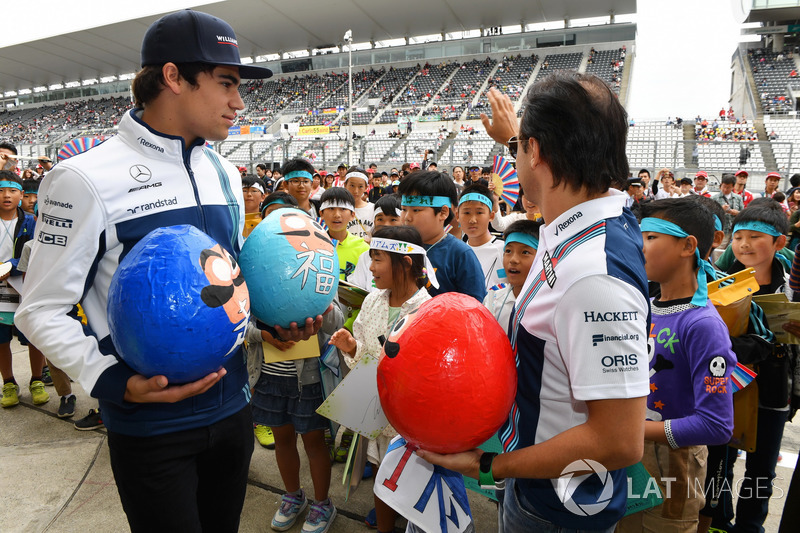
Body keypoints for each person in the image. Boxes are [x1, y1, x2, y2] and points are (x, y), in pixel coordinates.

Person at [14, 10, 326, 533]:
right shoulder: (83, 178)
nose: (239, 102)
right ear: (174, 77)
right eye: (226, 83)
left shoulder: (224, 169)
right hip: (150, 426)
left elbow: (222, 283)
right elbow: (39, 308)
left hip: (232, 411)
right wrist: (110, 379)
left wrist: (266, 323)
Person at [419, 74, 650, 531]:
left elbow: (620, 440)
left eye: (523, 145)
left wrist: (490, 467)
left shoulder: (594, 276)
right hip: (544, 485)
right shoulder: (583, 213)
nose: (516, 154)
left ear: (538, 152)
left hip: (556, 507)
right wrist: (514, 140)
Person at [617, 198, 735, 532]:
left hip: (675, 465)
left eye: (652, 237)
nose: (641, 246)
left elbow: (716, 425)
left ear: (688, 246)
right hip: (629, 456)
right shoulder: (643, 306)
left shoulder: (703, 325)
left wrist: (633, 430)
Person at [329, 225, 433, 533]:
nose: (370, 267)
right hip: (375, 408)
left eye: (377, 259)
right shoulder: (374, 300)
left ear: (405, 263)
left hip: (409, 420)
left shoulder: (429, 310)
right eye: (370, 258)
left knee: (414, 478)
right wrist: (352, 346)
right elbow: (365, 347)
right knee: (381, 470)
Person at [713, 200, 795, 533]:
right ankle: (718, 520)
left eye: (755, 237)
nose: (744, 244)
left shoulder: (791, 289)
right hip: (727, 390)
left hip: (773, 392)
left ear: (779, 243)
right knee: (721, 462)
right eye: (738, 236)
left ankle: (750, 526)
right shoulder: (721, 285)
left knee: (762, 470)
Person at [398, 171, 486, 302]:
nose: (407, 218)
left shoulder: (460, 254)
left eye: (416, 210)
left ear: (443, 213)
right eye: (404, 209)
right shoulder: (399, 247)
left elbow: (474, 306)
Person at [0, 171, 44, 408]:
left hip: (23, 288)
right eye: (0, 191)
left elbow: (37, 252)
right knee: (0, 339)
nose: (6, 196)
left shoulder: (30, 222)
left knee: (33, 336)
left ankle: (37, 379)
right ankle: (8, 382)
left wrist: (12, 266)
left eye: (12, 191)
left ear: (21, 195)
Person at [483, 220, 542, 330]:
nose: (513, 260)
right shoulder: (493, 300)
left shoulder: (547, 304)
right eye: (508, 251)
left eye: (525, 252)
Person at [349, 194, 403, 291]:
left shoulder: (409, 255)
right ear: (374, 221)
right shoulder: (366, 257)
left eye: (393, 219)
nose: (386, 225)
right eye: (380, 219)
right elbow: (357, 290)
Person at [458, 183, 506, 291]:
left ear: (491, 216)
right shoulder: (456, 253)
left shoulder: (505, 250)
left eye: (479, 212)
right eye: (466, 212)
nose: (472, 220)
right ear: (457, 216)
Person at [343, 167, 375, 240]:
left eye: (360, 186)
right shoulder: (339, 209)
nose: (356, 191)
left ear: (366, 187)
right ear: (345, 185)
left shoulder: (372, 208)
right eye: (352, 186)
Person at [714, 174, 744, 249]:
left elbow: (743, 213)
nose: (725, 189)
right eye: (724, 186)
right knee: (718, 250)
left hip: (735, 229)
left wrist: (737, 213)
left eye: (728, 187)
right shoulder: (714, 198)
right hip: (722, 229)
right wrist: (721, 210)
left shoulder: (738, 198)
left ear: (733, 187)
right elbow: (711, 213)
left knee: (735, 249)